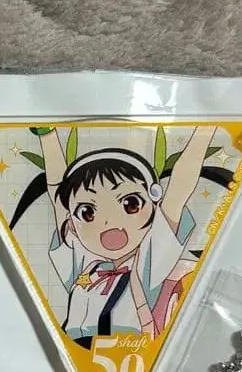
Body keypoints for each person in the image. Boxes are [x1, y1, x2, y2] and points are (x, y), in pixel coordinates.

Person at [37, 127, 218, 347]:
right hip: (73, 350)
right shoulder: (84, 265)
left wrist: (206, 130)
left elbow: (180, 186)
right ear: (73, 224)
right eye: (87, 212)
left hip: (127, 349)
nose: (109, 223)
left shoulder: (148, 261)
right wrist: (47, 135)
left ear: (154, 204)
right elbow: (57, 194)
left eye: (130, 204)